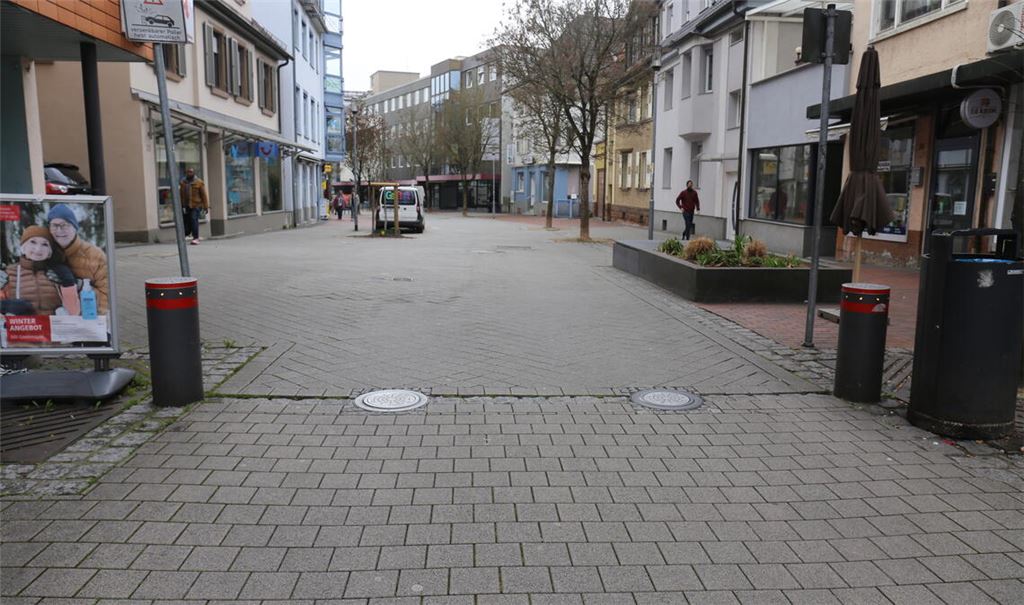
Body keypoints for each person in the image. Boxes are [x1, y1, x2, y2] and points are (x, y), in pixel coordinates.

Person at [0, 226, 80, 316]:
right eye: (33, 242)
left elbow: (74, 312)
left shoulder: (58, 273)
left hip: (54, 328)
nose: (38, 249)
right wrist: (5, 306)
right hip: (22, 328)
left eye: (45, 244)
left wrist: (68, 282)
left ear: (50, 252)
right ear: (23, 246)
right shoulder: (7, 273)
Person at [47, 203, 109, 315]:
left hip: (86, 320)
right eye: (55, 225)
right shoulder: (42, 253)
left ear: (75, 228)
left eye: (65, 225)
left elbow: (107, 296)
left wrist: (81, 287)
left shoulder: (94, 255)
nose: (59, 230)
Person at [179, 168, 210, 245]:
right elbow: (181, 195)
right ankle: (186, 234)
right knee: (187, 221)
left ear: (194, 173)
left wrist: (206, 206)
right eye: (188, 172)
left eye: (191, 172)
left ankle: (196, 238)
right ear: (186, 173)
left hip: (196, 205)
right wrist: (180, 205)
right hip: (186, 205)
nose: (189, 173)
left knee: (193, 220)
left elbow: (204, 195)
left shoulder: (199, 182)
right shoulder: (183, 182)